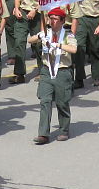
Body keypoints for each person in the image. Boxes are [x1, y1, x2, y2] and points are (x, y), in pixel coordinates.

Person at [29, 7, 77, 144]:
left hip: (62, 71)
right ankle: (43, 133)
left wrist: (59, 45)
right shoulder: (46, 32)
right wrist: (39, 36)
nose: (53, 21)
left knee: (62, 103)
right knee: (45, 101)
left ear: (62, 21)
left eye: (56, 19)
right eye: (51, 18)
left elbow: (74, 49)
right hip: (46, 71)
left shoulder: (68, 35)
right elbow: (30, 40)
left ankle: (64, 130)